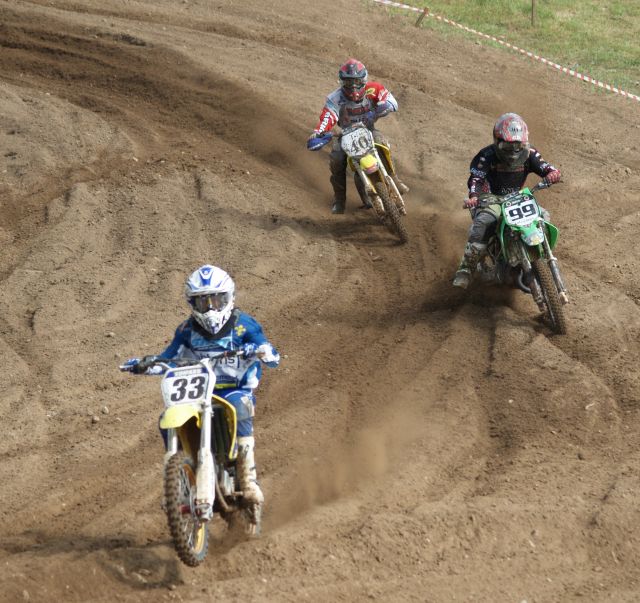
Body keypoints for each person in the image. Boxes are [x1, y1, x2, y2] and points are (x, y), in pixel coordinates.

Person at [123, 264, 279, 512]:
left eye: (216, 300)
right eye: (203, 302)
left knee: (239, 406)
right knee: (166, 419)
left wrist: (258, 350)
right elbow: (168, 359)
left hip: (234, 389)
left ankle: (248, 479)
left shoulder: (244, 325)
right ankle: (180, 478)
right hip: (199, 392)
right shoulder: (187, 330)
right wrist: (144, 365)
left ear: (228, 297)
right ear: (192, 303)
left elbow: (272, 355)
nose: (211, 308)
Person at [452, 113, 562, 289]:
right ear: (497, 141)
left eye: (518, 145)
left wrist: (552, 173)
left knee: (543, 216)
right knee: (485, 221)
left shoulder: (530, 153)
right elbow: (476, 179)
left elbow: (545, 167)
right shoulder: (486, 155)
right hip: (490, 198)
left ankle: (540, 253)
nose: (513, 151)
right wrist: (474, 196)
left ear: (525, 142)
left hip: (516, 198)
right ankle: (465, 269)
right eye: (508, 145)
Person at [308, 58, 409, 214]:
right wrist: (318, 133)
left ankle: (394, 178)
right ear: (342, 82)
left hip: (368, 130)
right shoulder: (335, 99)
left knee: (381, 142)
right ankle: (340, 200)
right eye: (349, 82)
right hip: (345, 135)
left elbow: (392, 102)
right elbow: (327, 117)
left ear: (364, 79)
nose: (353, 86)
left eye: (357, 81)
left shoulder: (373, 89)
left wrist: (377, 110)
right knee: (336, 160)